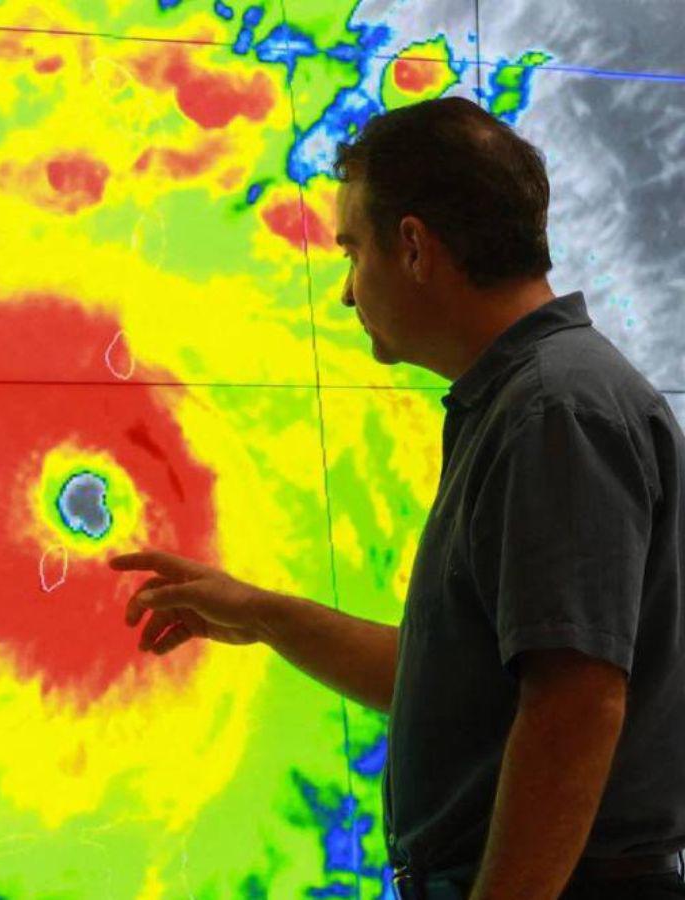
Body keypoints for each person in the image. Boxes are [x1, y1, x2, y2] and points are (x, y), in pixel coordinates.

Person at [111, 96, 685, 900]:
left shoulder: (554, 410)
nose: (347, 293)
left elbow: (576, 705)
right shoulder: (529, 400)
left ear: (413, 247)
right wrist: (261, 613)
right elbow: (457, 688)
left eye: (351, 251)